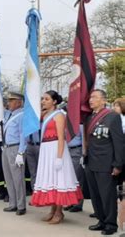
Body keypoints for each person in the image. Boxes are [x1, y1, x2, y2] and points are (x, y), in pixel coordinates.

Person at [30, 91, 83, 224]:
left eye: (47, 99)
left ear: (54, 101)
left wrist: (59, 157)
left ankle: (59, 212)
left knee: (58, 179)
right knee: (50, 179)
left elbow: (61, 137)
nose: (43, 101)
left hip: (56, 149)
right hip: (46, 149)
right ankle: (53, 210)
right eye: (43, 99)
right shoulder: (45, 114)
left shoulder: (59, 115)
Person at [84, 89, 125, 235]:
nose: (90, 99)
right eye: (90, 97)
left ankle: (110, 224)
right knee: (95, 195)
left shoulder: (112, 116)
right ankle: (101, 220)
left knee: (107, 195)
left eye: (94, 97)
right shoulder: (89, 117)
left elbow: (118, 142)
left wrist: (118, 164)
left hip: (106, 163)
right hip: (91, 161)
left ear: (103, 100)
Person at [2, 92, 27, 216]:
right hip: (6, 148)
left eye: (12, 100)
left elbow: (23, 134)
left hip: (15, 148)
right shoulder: (10, 114)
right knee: (9, 177)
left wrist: (21, 152)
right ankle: (13, 203)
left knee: (18, 178)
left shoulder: (22, 115)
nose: (9, 103)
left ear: (19, 102)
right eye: (9, 100)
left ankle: (21, 205)